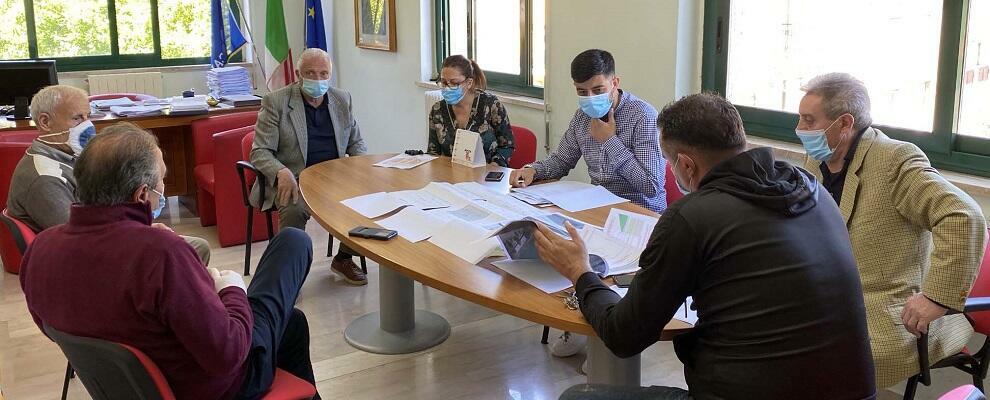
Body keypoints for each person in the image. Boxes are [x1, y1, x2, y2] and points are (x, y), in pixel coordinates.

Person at [535, 93, 877, 400]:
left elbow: (624, 336)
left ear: (686, 165)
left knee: (578, 397)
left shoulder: (691, 216)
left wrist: (581, 272)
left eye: (671, 164)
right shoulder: (808, 187)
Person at [20, 123, 320, 400]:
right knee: (293, 241)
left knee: (291, 323)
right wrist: (231, 289)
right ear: (141, 194)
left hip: (126, 386)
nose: (162, 190)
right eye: (161, 181)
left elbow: (51, 328)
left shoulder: (41, 247)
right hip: (213, 388)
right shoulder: (161, 253)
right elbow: (228, 354)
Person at [795, 73, 987, 389]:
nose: (800, 130)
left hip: (885, 309)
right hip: (827, 298)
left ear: (844, 123)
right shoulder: (818, 159)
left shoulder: (895, 160)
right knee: (762, 336)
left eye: (808, 120)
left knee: (820, 359)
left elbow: (963, 216)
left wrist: (937, 298)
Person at [509, 49, 668, 358]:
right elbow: (561, 160)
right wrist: (532, 170)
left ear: (615, 82)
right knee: (565, 242)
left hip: (639, 214)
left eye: (598, 90)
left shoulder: (642, 116)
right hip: (598, 209)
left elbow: (652, 184)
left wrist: (610, 141)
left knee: (596, 258)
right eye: (582, 92)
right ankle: (582, 322)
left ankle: (607, 341)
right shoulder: (583, 116)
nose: (590, 98)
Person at [6, 85, 211, 265]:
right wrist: (139, 233)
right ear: (44, 122)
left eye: (88, 117)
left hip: (102, 238)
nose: (87, 126)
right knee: (194, 249)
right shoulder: (44, 178)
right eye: (77, 118)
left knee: (188, 247)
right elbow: (80, 240)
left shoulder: (65, 156)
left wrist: (139, 227)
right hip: (87, 260)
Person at [251, 48, 368, 285]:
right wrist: (280, 171)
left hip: (335, 178)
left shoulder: (341, 99)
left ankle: (344, 258)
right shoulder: (277, 102)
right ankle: (287, 274)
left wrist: (362, 170)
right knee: (294, 209)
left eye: (323, 74)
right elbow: (259, 151)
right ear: (297, 74)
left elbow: (356, 143)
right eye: (310, 73)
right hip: (295, 178)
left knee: (367, 199)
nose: (317, 79)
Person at [428, 55, 515, 166]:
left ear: (469, 83)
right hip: (451, 177)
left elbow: (507, 146)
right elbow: (433, 152)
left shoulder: (491, 105)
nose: (447, 88)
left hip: (486, 177)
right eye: (443, 82)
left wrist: (495, 165)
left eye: (454, 83)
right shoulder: (437, 110)